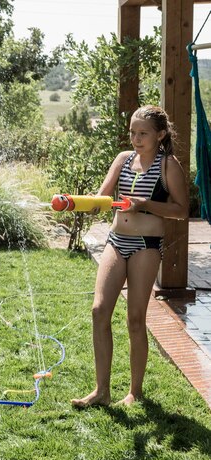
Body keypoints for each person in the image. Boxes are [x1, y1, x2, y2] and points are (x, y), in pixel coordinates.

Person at [71, 105, 189, 408]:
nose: (135, 138)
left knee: (135, 319)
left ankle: (134, 392)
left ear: (160, 135)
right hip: (116, 240)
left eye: (143, 133)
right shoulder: (123, 160)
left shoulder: (168, 165)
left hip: (146, 244)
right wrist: (74, 203)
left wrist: (145, 204)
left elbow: (180, 210)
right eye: (133, 132)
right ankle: (102, 391)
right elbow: (102, 198)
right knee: (99, 310)